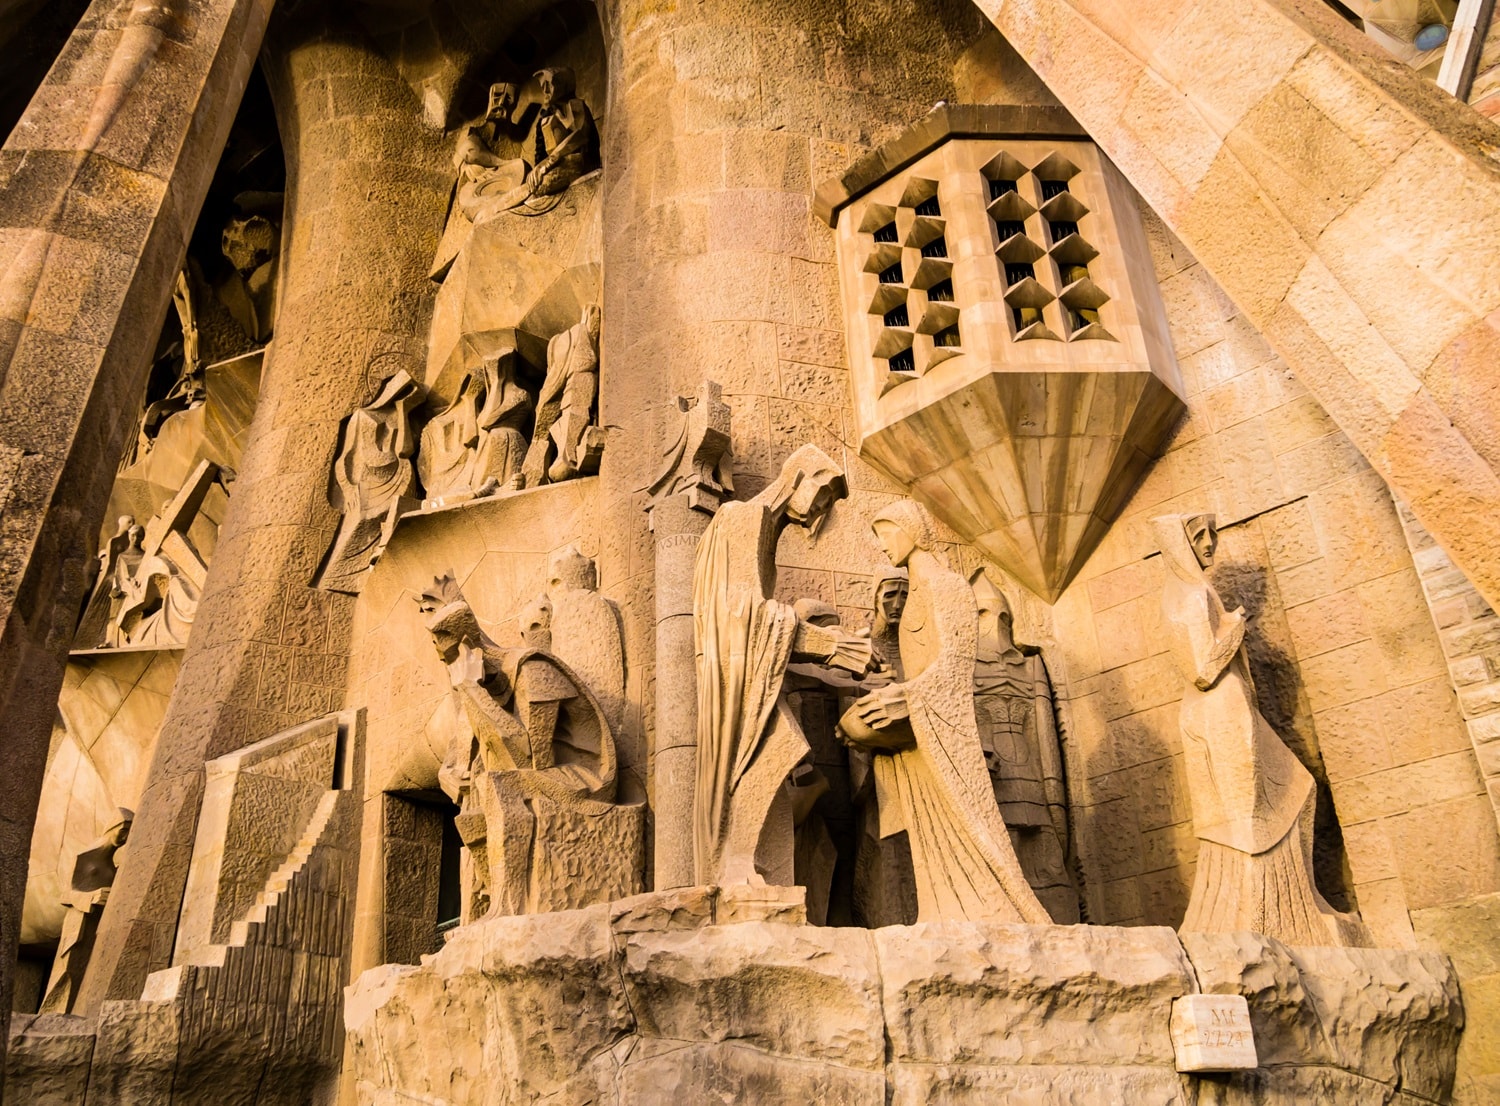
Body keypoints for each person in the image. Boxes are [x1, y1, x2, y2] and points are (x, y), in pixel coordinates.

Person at [1153, 513, 1366, 946]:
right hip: (1220, 708)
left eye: (1212, 534)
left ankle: (1293, 905)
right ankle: (1261, 913)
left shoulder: (1189, 592)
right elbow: (1202, 670)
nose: (1210, 544)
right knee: (1249, 813)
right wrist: (1234, 627)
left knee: (1292, 791)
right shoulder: (1192, 595)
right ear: (1179, 543)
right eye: (1198, 536)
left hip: (1222, 708)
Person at [838, 500, 1049, 924]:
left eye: (887, 534)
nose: (883, 546)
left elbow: (954, 666)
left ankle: (996, 915)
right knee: (928, 836)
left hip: (944, 728)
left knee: (969, 827)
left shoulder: (947, 586)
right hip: (921, 730)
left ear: (910, 530)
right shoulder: (919, 593)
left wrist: (908, 697)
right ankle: (947, 911)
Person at [692, 444, 874, 886]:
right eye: (822, 494)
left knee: (776, 752)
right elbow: (746, 614)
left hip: (749, 668)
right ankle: (735, 865)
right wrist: (832, 645)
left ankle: (740, 863)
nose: (822, 509)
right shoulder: (746, 518)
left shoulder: (761, 529)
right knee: (775, 749)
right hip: (738, 674)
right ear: (798, 478)